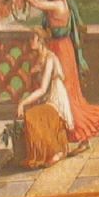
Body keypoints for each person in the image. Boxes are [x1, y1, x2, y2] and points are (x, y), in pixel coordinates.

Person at [13, 0, 99, 142]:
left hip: (61, 50)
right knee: (59, 89)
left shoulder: (58, 5)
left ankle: (76, 131)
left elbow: (36, 3)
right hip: (61, 47)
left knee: (65, 91)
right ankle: (61, 131)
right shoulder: (59, 0)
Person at [14, 27, 74, 168]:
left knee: (33, 116)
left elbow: (42, 89)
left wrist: (22, 103)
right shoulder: (35, 59)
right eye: (29, 38)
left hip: (55, 100)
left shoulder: (50, 58)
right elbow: (30, 87)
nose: (30, 41)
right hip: (44, 99)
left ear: (40, 41)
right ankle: (43, 152)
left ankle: (57, 151)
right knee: (28, 115)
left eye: (33, 38)